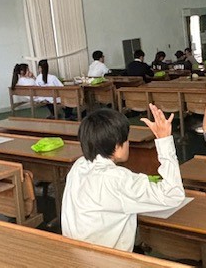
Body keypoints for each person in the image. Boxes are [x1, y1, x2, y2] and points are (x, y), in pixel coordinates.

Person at [61, 104, 185, 251]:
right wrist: (164, 141)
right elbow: (174, 195)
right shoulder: (117, 179)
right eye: (126, 140)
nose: (128, 144)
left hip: (75, 254)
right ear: (116, 146)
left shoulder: (79, 166)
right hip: (106, 259)